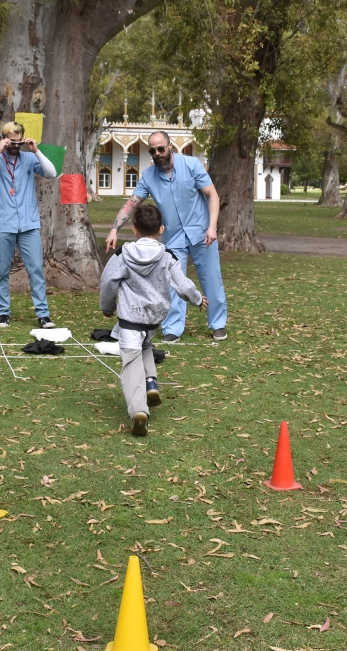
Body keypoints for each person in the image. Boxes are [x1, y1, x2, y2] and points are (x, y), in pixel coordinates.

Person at [105, 131, 227, 342]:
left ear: (170, 146)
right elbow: (132, 203)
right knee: (172, 281)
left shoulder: (191, 165)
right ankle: (173, 328)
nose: (157, 153)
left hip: (201, 233)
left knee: (211, 278)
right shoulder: (149, 176)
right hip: (174, 237)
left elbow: (212, 194)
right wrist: (114, 229)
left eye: (161, 148)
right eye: (153, 150)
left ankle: (217, 324)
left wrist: (212, 226)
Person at [100, 204, 205, 436]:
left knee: (130, 365)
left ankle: (139, 411)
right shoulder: (168, 256)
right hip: (152, 321)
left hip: (130, 320)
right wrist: (197, 299)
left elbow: (108, 281)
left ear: (135, 229)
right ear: (161, 230)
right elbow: (183, 284)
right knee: (146, 344)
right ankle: (151, 383)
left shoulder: (122, 255)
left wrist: (107, 307)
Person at [0, 121, 58, 329]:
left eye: (18, 141)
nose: (15, 145)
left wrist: (36, 151)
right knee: (2, 270)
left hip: (28, 224)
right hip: (3, 224)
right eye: (11, 141)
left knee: (36, 269)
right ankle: (3, 312)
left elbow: (52, 173)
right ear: (3, 139)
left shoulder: (29, 158)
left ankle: (43, 314)